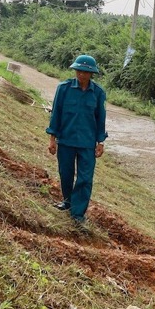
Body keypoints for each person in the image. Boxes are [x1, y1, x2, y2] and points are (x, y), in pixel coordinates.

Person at [47, 55, 107, 226]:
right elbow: (56, 114)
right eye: (79, 71)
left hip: (87, 144)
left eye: (86, 72)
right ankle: (67, 202)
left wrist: (100, 142)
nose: (81, 74)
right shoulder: (63, 89)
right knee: (65, 174)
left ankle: (78, 214)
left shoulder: (98, 93)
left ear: (91, 74)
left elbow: (100, 119)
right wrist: (52, 139)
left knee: (85, 179)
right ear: (75, 70)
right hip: (66, 140)